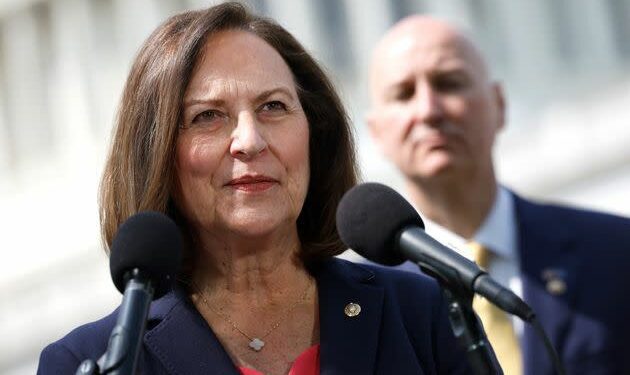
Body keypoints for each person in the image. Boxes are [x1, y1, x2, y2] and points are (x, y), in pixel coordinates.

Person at [36, 4, 472, 375]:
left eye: (273, 107)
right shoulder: (91, 360)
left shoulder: (419, 311)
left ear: (313, 135)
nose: (250, 140)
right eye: (208, 116)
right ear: (158, 155)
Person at [365, 14, 630, 375]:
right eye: (404, 94)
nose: (428, 110)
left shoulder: (615, 250)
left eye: (449, 83)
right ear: (377, 132)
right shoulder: (363, 304)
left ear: (499, 105)